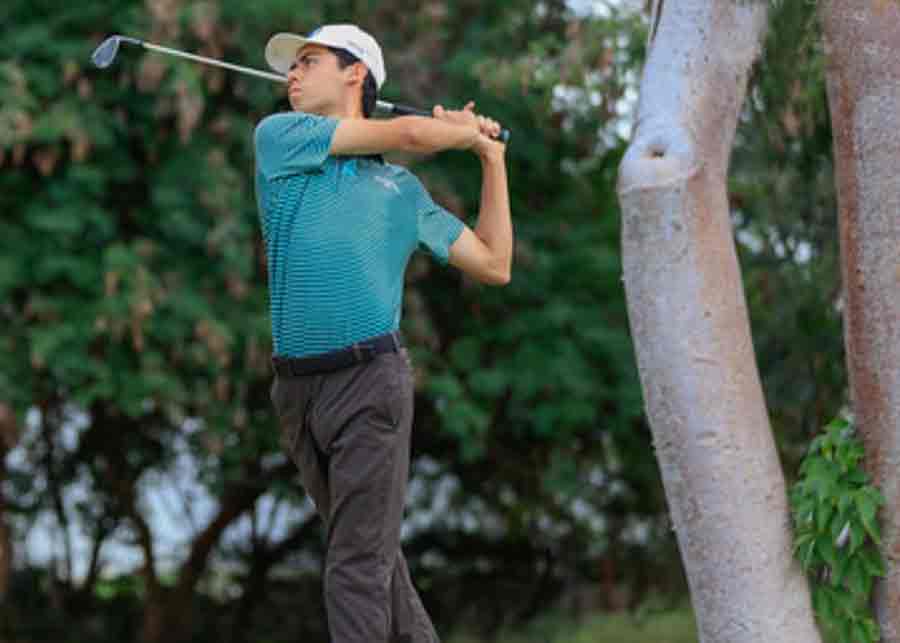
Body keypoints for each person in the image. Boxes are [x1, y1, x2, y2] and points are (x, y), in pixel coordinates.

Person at [254, 24, 512, 643]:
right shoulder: (280, 139)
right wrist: (460, 130)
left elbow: (494, 263)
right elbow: (407, 133)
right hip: (296, 393)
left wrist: (490, 158)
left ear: (355, 74)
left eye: (308, 61)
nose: (292, 73)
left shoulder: (402, 190)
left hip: (370, 384)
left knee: (355, 566)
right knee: (369, 556)